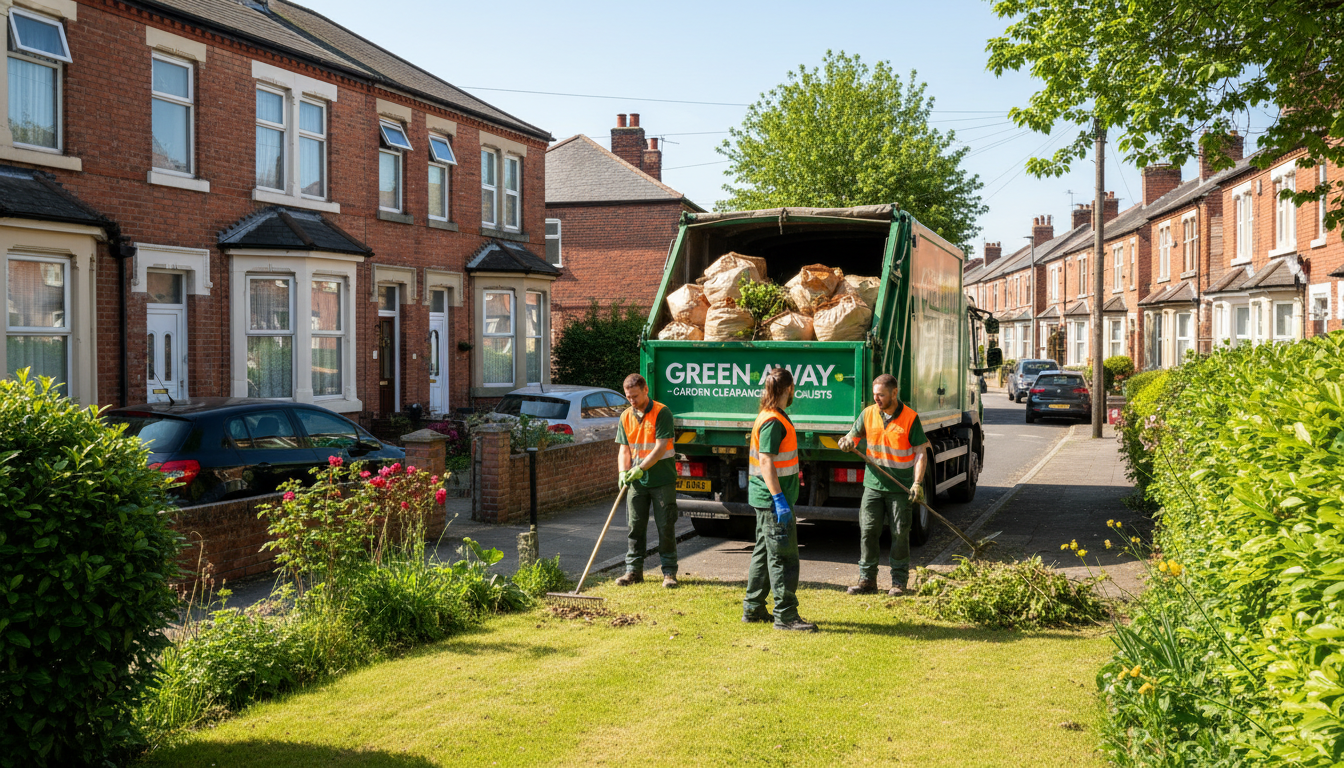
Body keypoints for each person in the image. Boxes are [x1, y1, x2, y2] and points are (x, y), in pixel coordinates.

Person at [837, 373, 930, 597]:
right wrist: (847, 441)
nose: (876, 399)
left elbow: (920, 453)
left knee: (899, 533)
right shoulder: (868, 414)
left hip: (900, 488)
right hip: (873, 486)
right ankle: (867, 580)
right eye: (874, 395)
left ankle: (899, 582)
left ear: (894, 393)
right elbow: (853, 436)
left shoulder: (910, 418)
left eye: (881, 395)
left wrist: (917, 483)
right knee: (868, 531)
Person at [743, 367, 817, 632]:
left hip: (767, 499)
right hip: (772, 500)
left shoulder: (771, 415)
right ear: (789, 389)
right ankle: (785, 615)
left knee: (764, 552)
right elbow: (766, 461)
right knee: (784, 556)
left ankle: (753, 607)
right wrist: (779, 499)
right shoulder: (773, 421)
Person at [614, 373, 679, 588]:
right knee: (635, 526)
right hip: (637, 483)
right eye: (628, 397)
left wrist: (640, 468)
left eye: (635, 396)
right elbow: (624, 449)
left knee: (665, 526)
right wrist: (623, 472)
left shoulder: (662, 413)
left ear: (645, 390)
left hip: (662, 480)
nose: (632, 401)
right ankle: (633, 571)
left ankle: (669, 572)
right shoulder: (625, 416)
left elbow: (661, 447)